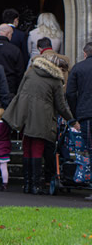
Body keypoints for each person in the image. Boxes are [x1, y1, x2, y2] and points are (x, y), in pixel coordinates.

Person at [3, 55, 73, 195]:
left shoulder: (30, 72)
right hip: (43, 116)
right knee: (37, 148)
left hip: (25, 114)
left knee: (27, 147)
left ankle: (27, 184)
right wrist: (72, 120)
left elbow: (20, 92)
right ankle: (35, 186)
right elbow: (61, 105)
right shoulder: (55, 80)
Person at [66, 42, 92, 201]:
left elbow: (70, 93)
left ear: (84, 53)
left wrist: (75, 114)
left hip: (86, 114)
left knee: (90, 148)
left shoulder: (78, 68)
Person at [0, 24, 25, 95]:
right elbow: (20, 72)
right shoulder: (15, 50)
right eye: (11, 34)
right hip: (9, 86)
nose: (11, 36)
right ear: (8, 34)